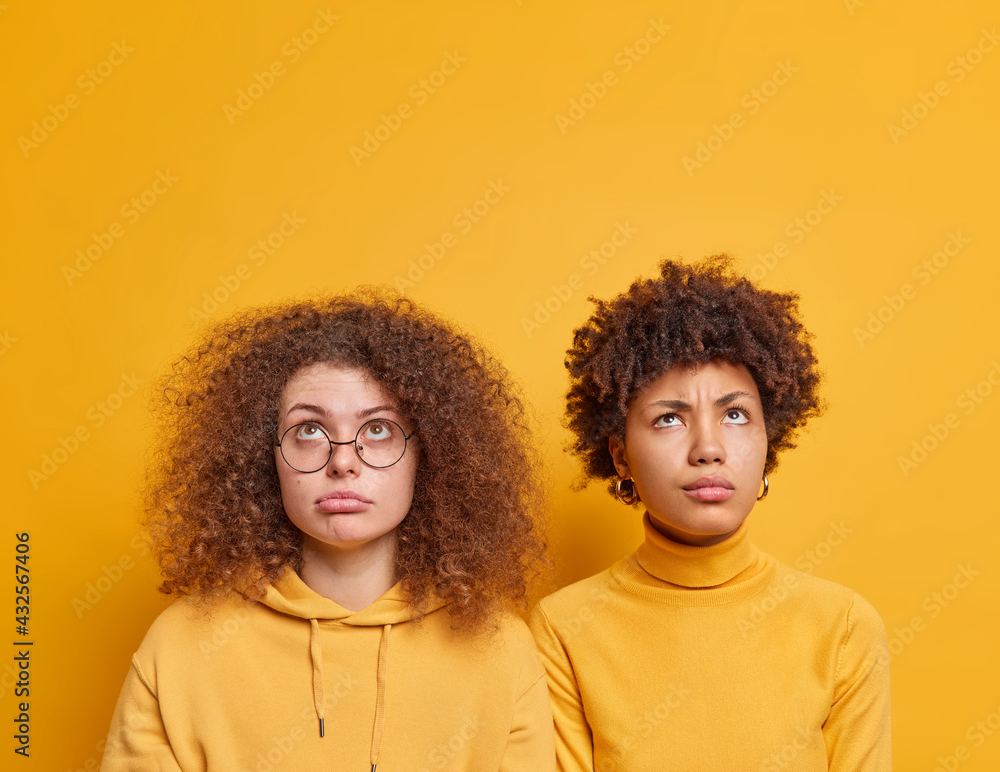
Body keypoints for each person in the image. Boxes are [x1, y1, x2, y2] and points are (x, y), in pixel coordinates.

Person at [101, 290, 556, 772]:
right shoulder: (180, 645)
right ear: (263, 456)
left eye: (378, 429)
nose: (343, 462)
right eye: (309, 430)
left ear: (429, 455)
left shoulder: (501, 647)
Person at [528, 256, 891, 771]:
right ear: (620, 456)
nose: (709, 449)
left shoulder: (843, 627)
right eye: (669, 419)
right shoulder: (563, 629)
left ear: (769, 439)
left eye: (735, 415)